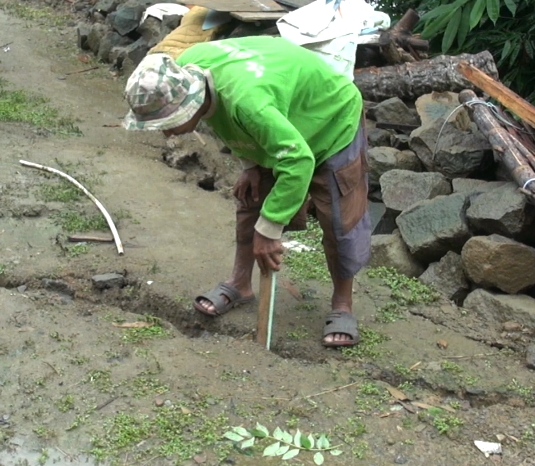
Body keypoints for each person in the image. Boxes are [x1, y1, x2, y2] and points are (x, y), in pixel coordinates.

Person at [123, 36, 370, 347]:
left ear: (192, 101)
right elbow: (228, 118)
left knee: (339, 217)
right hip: (280, 112)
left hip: (332, 116)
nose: (168, 132)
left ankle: (342, 304)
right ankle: (240, 284)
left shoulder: (248, 103)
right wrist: (250, 164)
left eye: (169, 122)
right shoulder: (188, 69)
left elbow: (298, 159)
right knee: (250, 198)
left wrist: (270, 230)